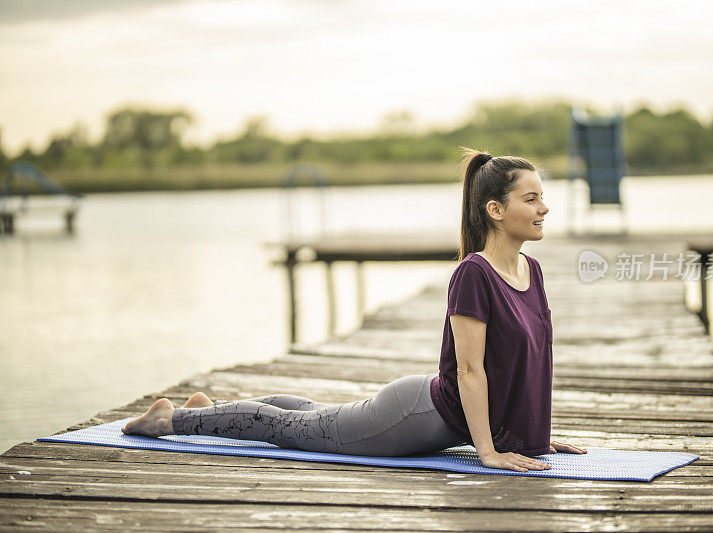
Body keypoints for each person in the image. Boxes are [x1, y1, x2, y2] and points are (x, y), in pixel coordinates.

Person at [122, 147, 587, 472]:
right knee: (295, 428)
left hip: (429, 415)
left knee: (310, 414)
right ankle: (170, 420)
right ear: (495, 210)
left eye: (542, 197)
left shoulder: (531, 271)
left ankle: (211, 410)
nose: (544, 208)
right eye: (531, 198)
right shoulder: (474, 275)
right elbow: (469, 371)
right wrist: (487, 453)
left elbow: (532, 365)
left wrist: (535, 439)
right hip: (413, 417)